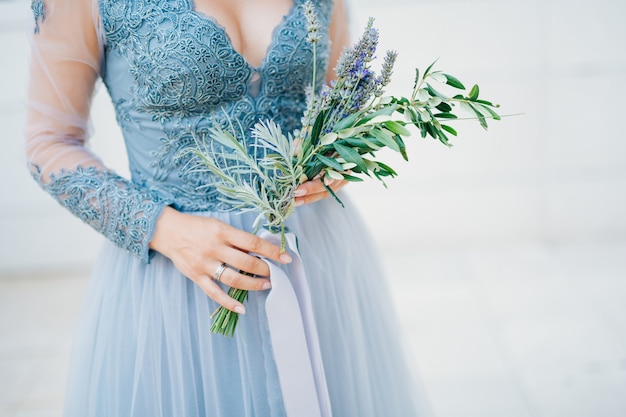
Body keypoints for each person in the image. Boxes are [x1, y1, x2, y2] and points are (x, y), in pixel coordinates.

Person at [26, 0, 428, 415]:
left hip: (312, 254)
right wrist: (162, 228)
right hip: (180, 275)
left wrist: (337, 155)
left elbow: (338, 91)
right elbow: (48, 144)